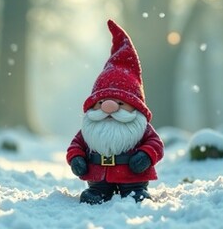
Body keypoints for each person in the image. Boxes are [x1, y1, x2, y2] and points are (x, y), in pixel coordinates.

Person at [66, 20, 165, 204]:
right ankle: (99, 193)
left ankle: (135, 192)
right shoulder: (90, 128)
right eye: (102, 101)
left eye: (120, 102)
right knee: (95, 194)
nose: (109, 108)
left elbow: (156, 144)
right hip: (98, 178)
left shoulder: (141, 127)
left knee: (135, 195)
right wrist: (76, 158)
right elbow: (76, 145)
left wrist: (145, 155)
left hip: (133, 177)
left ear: (135, 106)